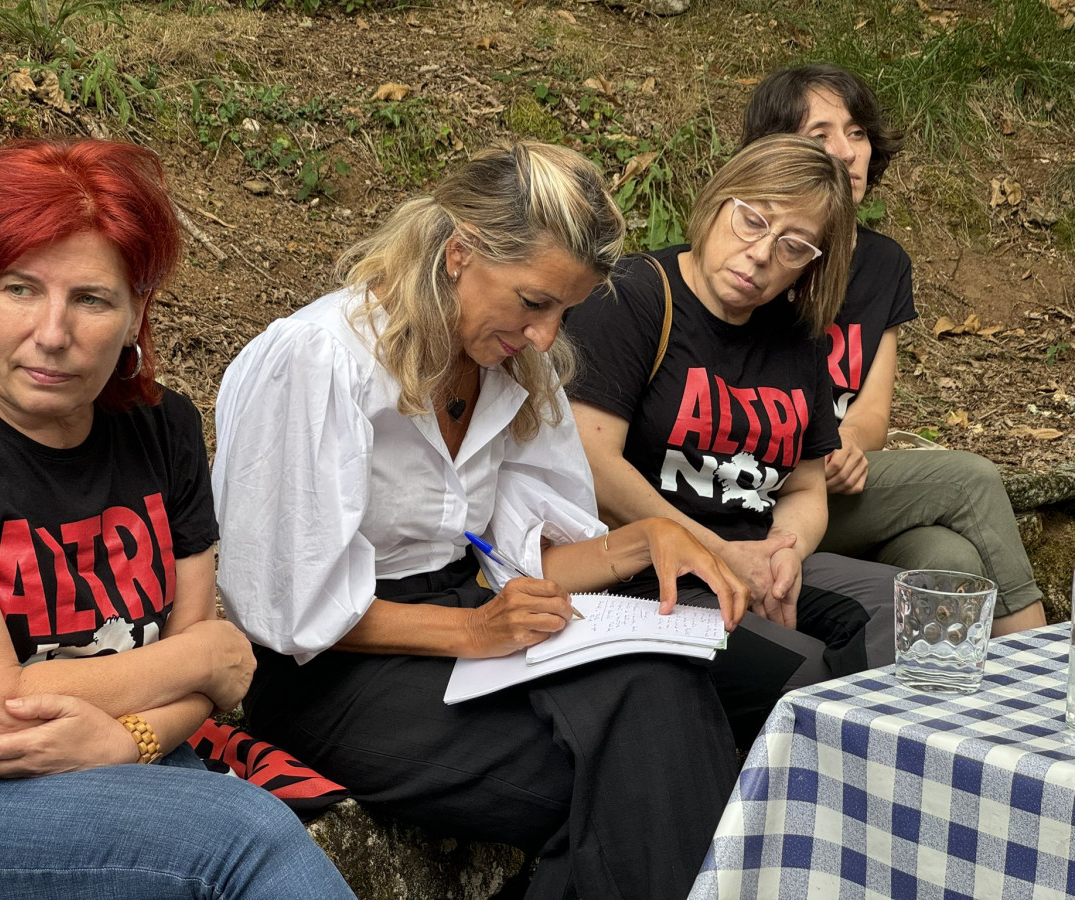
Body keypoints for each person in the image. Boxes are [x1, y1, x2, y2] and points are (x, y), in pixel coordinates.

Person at [213, 141, 750, 899]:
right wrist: (471, 631)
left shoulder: (509, 367)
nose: (545, 335)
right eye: (535, 302)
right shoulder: (321, 359)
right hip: (331, 673)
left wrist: (641, 540)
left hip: (468, 617)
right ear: (460, 251)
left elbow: (514, 564)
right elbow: (289, 610)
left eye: (564, 310)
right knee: (631, 781)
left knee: (666, 687)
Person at [0, 139, 354, 899]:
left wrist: (129, 738)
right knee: (245, 838)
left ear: (136, 312)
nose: (53, 332)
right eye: (18, 288)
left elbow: (201, 684)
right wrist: (204, 659)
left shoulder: (164, 430)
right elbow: (1, 713)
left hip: (134, 763)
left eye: (92, 298)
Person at [565, 134, 901, 746]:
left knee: (908, 617)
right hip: (645, 570)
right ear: (720, 202)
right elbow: (593, 465)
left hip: (751, 557)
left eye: (793, 245)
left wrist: (785, 554)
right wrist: (719, 551)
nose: (760, 254)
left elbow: (804, 484)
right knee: (803, 672)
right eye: (752, 221)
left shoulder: (798, 337)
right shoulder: (635, 297)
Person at [741, 63, 1045, 636]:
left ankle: (951, 717)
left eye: (856, 133)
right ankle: (1049, 677)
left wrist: (848, 443)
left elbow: (873, 408)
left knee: (950, 560)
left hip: (841, 484)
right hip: (762, 485)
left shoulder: (883, 265)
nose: (847, 152)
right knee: (971, 481)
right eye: (820, 135)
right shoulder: (755, 259)